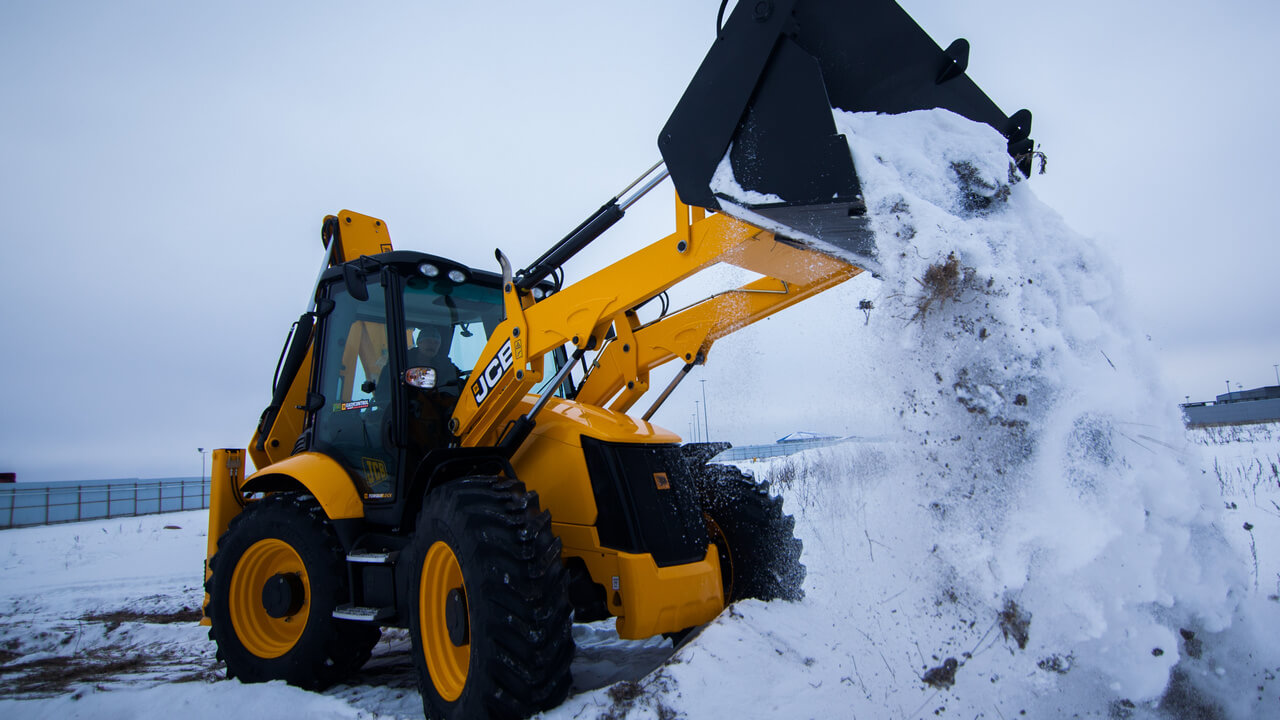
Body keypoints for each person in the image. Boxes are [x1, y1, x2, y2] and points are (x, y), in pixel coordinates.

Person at [409, 325, 462, 394]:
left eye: (436, 343)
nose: (432, 345)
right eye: (428, 341)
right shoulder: (405, 361)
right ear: (419, 343)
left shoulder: (445, 364)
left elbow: (456, 378)